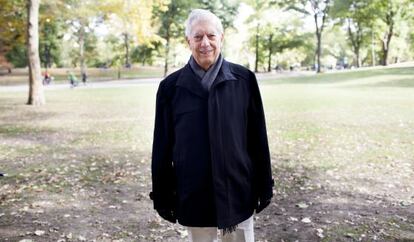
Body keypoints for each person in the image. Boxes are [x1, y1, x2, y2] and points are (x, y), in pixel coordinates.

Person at [150, 9, 274, 242]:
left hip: (237, 189)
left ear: (221, 38)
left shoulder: (244, 80)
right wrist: (162, 194)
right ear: (188, 42)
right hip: (193, 190)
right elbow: (162, 147)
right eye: (197, 37)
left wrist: (264, 184)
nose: (205, 43)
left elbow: (258, 138)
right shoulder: (170, 88)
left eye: (211, 36)